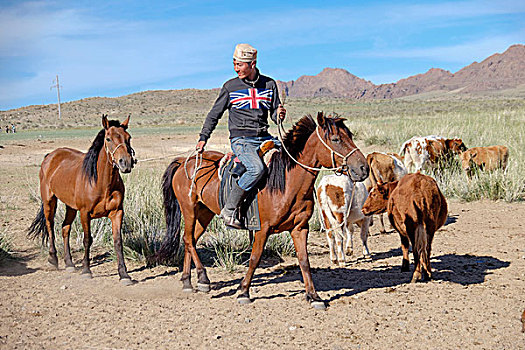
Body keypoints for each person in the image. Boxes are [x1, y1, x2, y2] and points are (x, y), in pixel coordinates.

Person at [195, 43, 286, 229]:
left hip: (264, 137)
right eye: (234, 64)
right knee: (255, 169)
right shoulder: (230, 87)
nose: (236, 68)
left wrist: (279, 115)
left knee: (291, 159)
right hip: (241, 140)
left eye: (240, 64)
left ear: (252, 64)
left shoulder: (269, 84)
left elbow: (275, 115)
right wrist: (204, 137)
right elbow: (214, 114)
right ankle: (229, 209)